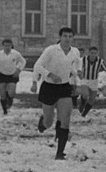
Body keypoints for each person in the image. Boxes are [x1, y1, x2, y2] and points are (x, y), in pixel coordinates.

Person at [30, 27, 81, 160]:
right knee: (49, 122)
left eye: (70, 36)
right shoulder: (51, 50)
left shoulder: (75, 52)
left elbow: (75, 67)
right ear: (60, 37)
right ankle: (43, 122)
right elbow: (38, 66)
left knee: (65, 119)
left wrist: (76, 78)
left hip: (64, 87)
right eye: (65, 36)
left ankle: (60, 153)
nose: (67, 39)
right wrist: (50, 75)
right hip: (49, 87)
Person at [0, 39, 26, 114]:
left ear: (11, 46)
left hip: (12, 75)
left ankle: (10, 99)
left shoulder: (16, 54)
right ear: (3, 46)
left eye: (9, 45)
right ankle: (4, 110)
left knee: (11, 92)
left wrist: (18, 70)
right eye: (5, 45)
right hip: (2, 74)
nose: (7, 47)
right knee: (2, 94)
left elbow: (23, 61)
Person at [77, 46, 106, 118]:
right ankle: (82, 104)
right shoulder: (83, 60)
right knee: (85, 94)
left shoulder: (100, 61)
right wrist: (80, 74)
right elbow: (78, 68)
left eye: (95, 53)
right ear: (88, 53)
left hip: (94, 81)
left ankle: (84, 114)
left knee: (92, 100)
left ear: (97, 54)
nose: (93, 55)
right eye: (92, 53)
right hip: (85, 80)